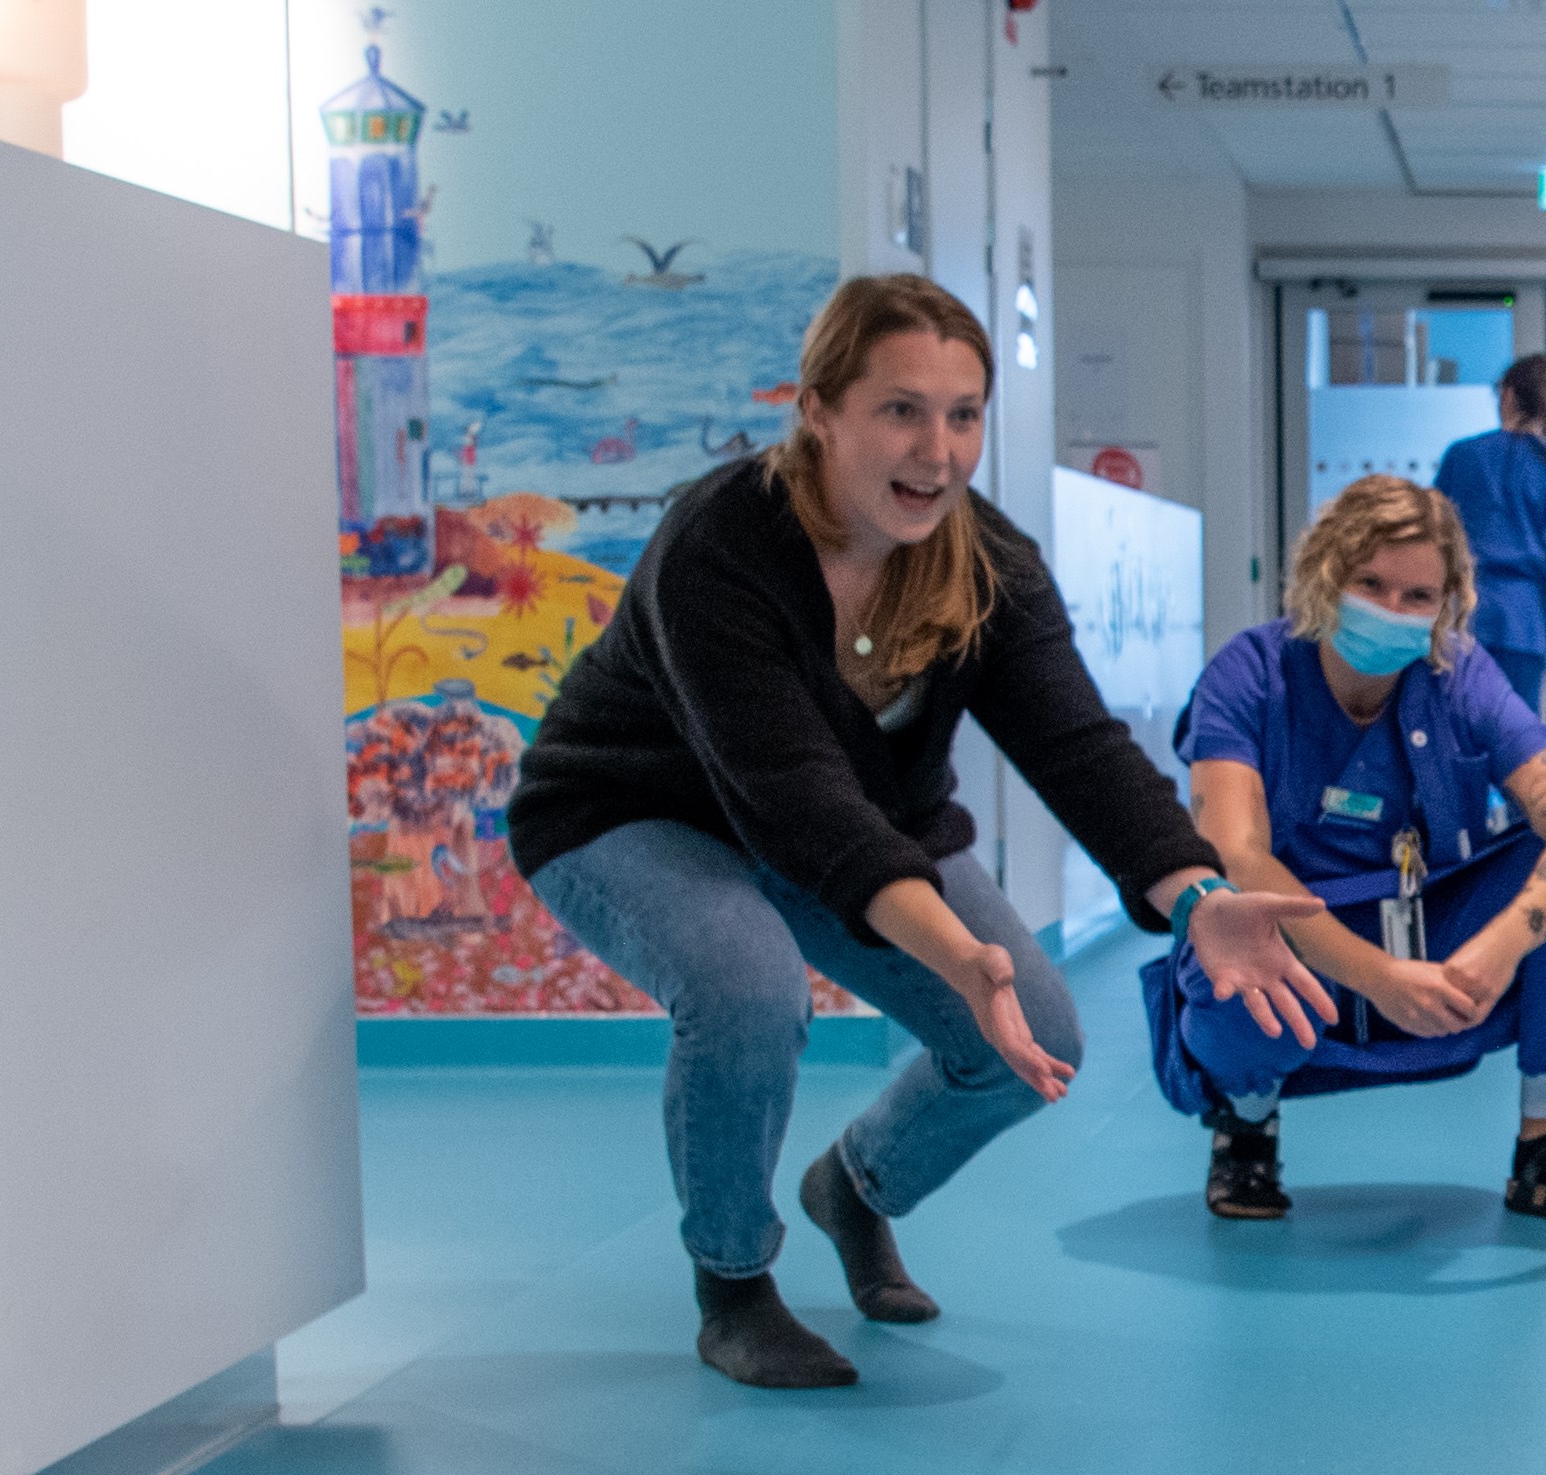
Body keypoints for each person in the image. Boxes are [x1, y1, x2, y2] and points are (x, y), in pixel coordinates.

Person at [510, 274, 1333, 1391]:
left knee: (1032, 1037)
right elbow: (792, 793)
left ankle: (853, 1185)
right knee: (749, 985)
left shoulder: (984, 560)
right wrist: (955, 952)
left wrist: (1195, 892)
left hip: (862, 825)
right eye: (900, 408)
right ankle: (733, 1280)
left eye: (963, 413)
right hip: (634, 811)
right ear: (818, 411)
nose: (936, 449)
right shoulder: (721, 543)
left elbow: (1078, 747)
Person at [1138, 474, 1546, 1228]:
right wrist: (1375, 975)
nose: (1393, 611)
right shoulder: (1248, 675)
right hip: (1295, 940)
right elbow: (1236, 853)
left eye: (1419, 596)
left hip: (1427, 928)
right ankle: (1246, 1125)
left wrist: (1501, 948)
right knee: (1234, 921)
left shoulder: (1458, 674)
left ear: (1449, 602)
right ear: (1322, 575)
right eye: (1369, 583)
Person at [1430, 354, 1546, 713]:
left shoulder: (1462, 456)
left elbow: (1432, 537)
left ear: (1507, 396)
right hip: (1522, 624)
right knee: (1513, 736)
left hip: (1462, 615)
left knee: (1458, 728)